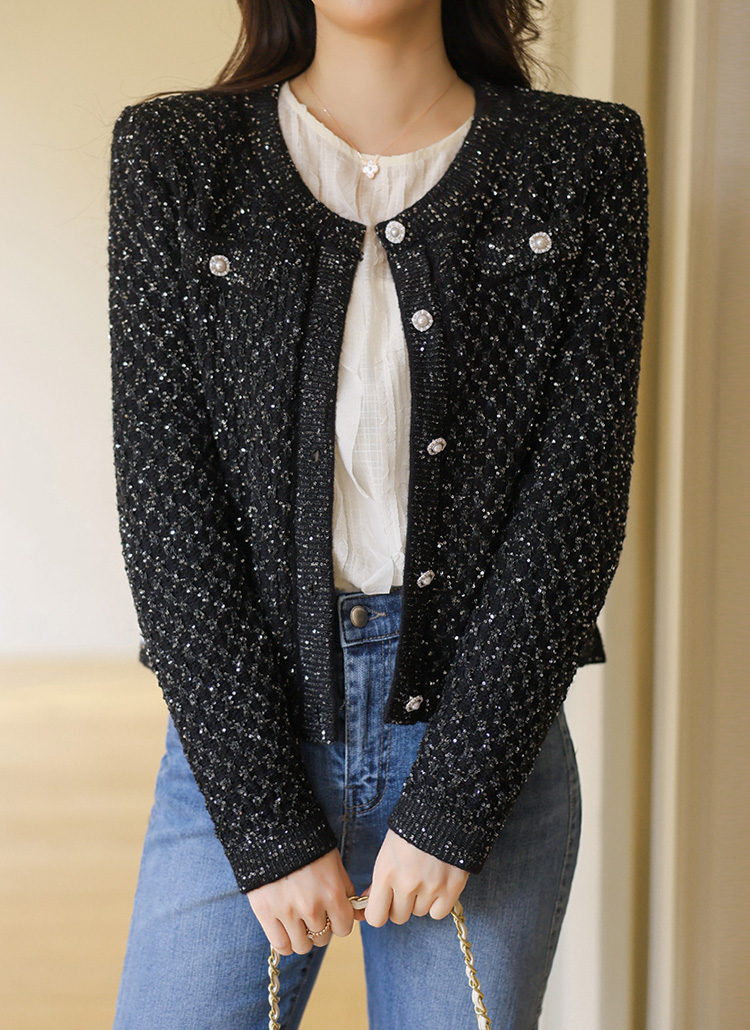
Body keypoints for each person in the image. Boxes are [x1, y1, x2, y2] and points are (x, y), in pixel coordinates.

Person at [108, 1, 649, 1027]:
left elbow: (575, 504)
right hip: (242, 735)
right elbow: (170, 507)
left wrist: (454, 806)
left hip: (485, 739)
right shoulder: (175, 155)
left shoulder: (582, 157)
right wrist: (266, 822)